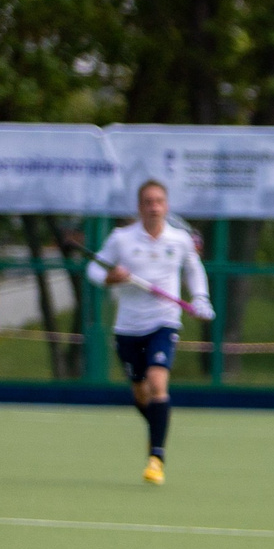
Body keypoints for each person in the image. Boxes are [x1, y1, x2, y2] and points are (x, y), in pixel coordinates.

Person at [86, 179, 213, 484]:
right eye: (148, 202)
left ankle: (156, 457)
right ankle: (158, 426)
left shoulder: (178, 239)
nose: (154, 207)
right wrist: (111, 278)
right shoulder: (122, 238)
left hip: (164, 320)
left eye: (159, 201)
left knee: (158, 382)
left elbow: (194, 269)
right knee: (141, 393)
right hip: (128, 325)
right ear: (140, 207)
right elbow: (93, 270)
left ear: (166, 206)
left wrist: (201, 298)